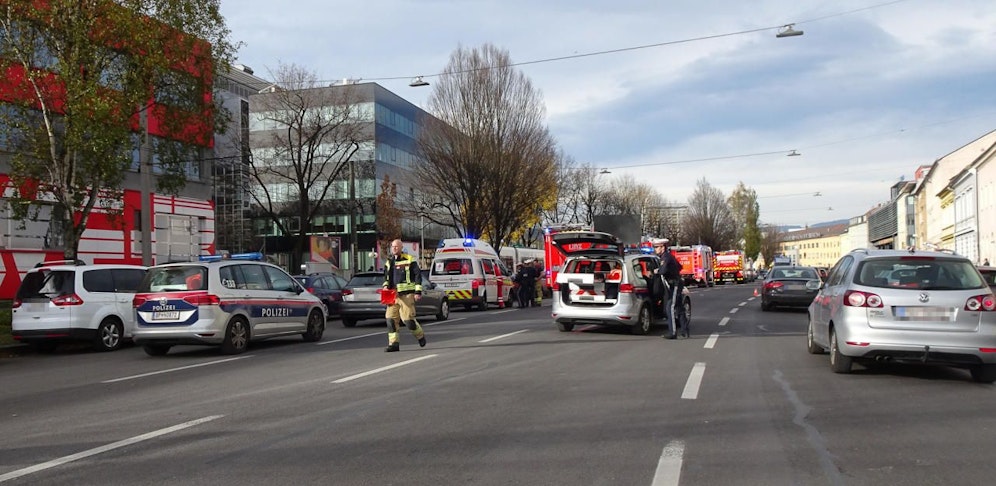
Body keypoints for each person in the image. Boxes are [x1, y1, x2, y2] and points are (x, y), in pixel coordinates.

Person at [382, 239, 426, 352]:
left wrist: (417, 292)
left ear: (401, 248)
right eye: (393, 246)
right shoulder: (389, 262)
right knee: (390, 319)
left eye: (397, 246)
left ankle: (420, 336)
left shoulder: (410, 260)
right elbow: (386, 278)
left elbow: (417, 276)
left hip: (406, 295)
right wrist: (386, 286)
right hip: (392, 295)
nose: (394, 248)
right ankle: (394, 344)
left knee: (408, 320)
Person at [653, 238, 685, 339]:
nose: (655, 249)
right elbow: (680, 267)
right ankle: (685, 330)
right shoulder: (669, 256)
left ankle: (673, 333)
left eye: (657, 247)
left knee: (670, 307)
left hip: (674, 284)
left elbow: (663, 270)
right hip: (676, 283)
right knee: (679, 308)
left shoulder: (665, 257)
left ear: (662, 247)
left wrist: (657, 271)